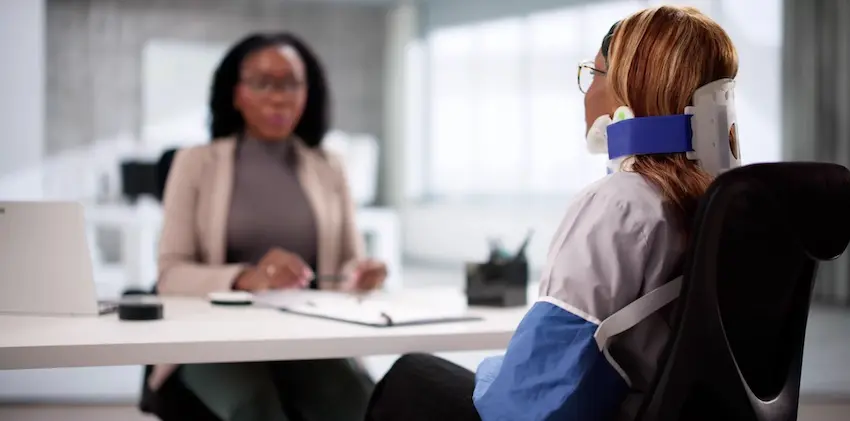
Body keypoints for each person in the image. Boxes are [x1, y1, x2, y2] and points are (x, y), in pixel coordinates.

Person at [364, 5, 739, 421]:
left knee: (410, 375)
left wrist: (492, 374)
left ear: (628, 93)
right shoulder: (729, 201)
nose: (587, 92)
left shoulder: (621, 203)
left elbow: (534, 397)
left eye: (594, 74)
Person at [150, 32, 385, 421]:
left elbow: (347, 262)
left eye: (292, 83)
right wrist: (248, 277)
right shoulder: (195, 163)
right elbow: (171, 274)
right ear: (237, 93)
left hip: (305, 335)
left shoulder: (330, 167)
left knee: (361, 404)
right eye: (263, 83)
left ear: (308, 92)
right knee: (255, 408)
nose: (279, 97)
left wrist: (359, 274)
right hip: (213, 336)